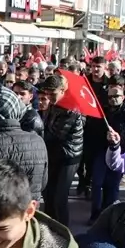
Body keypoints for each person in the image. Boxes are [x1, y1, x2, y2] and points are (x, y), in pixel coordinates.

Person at [89, 76, 125, 222]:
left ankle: (108, 215)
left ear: (123, 97)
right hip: (102, 151)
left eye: (117, 96)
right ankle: (95, 213)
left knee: (112, 186)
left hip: (121, 152)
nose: (113, 99)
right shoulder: (103, 111)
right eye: (110, 96)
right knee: (97, 183)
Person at [39, 75, 83, 227]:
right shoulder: (53, 104)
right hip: (53, 153)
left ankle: (64, 232)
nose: (49, 97)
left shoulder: (72, 107)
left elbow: (56, 134)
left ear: (63, 90)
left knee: (60, 197)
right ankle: (50, 228)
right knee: (48, 194)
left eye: (53, 93)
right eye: (47, 93)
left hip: (68, 156)